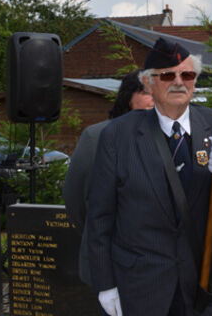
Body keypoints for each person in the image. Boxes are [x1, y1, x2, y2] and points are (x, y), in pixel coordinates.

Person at [86, 38, 212, 316]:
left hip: (207, 286)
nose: (178, 82)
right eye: (167, 75)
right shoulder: (117, 136)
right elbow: (99, 216)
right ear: (148, 82)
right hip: (141, 288)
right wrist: (105, 284)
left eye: (186, 74)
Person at [63, 69, 154, 287]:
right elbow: (75, 198)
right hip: (113, 265)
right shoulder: (97, 137)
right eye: (147, 92)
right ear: (128, 96)